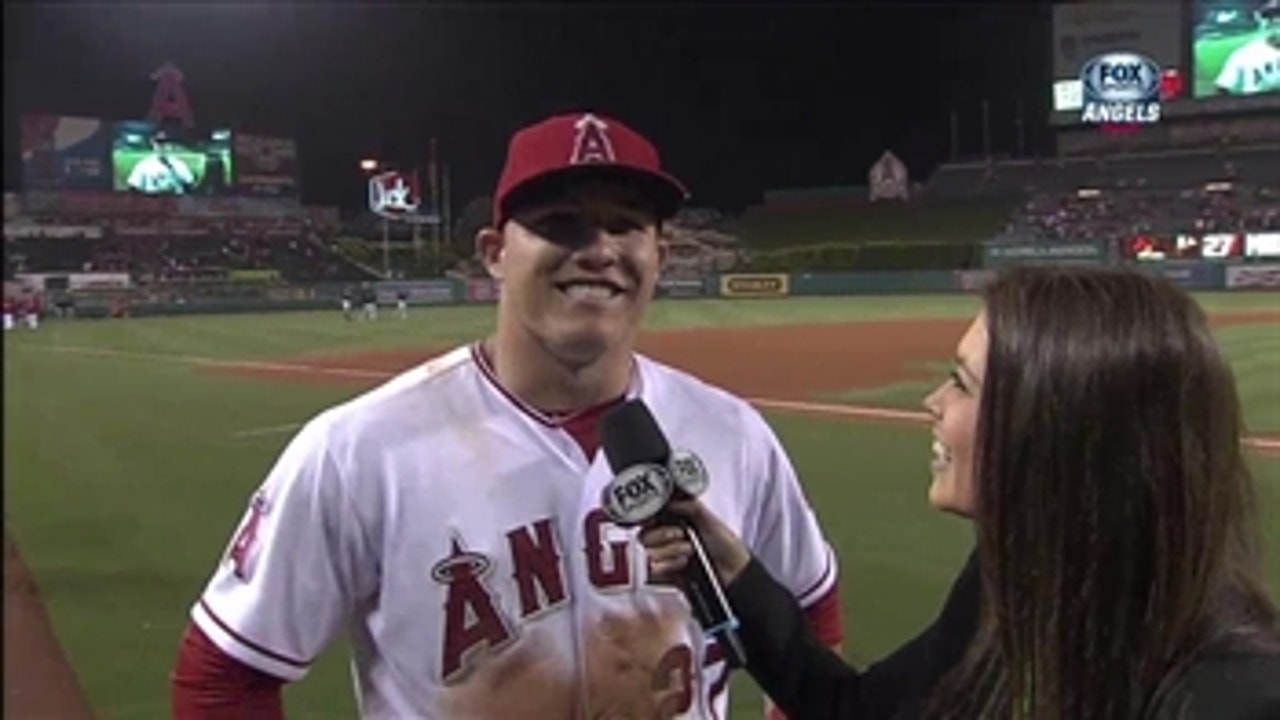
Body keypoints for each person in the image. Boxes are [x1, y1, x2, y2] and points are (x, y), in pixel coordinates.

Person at [170, 111, 844, 719]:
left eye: (626, 225)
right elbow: (225, 679)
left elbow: (811, 622)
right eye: (561, 224)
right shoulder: (358, 450)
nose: (599, 249)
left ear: (660, 257)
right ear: (495, 253)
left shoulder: (734, 434)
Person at [643, 266, 1280, 719]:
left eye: (963, 384)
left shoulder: (1232, 694)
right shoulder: (1016, 582)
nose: (933, 403)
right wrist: (734, 573)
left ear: (1055, 427)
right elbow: (855, 710)